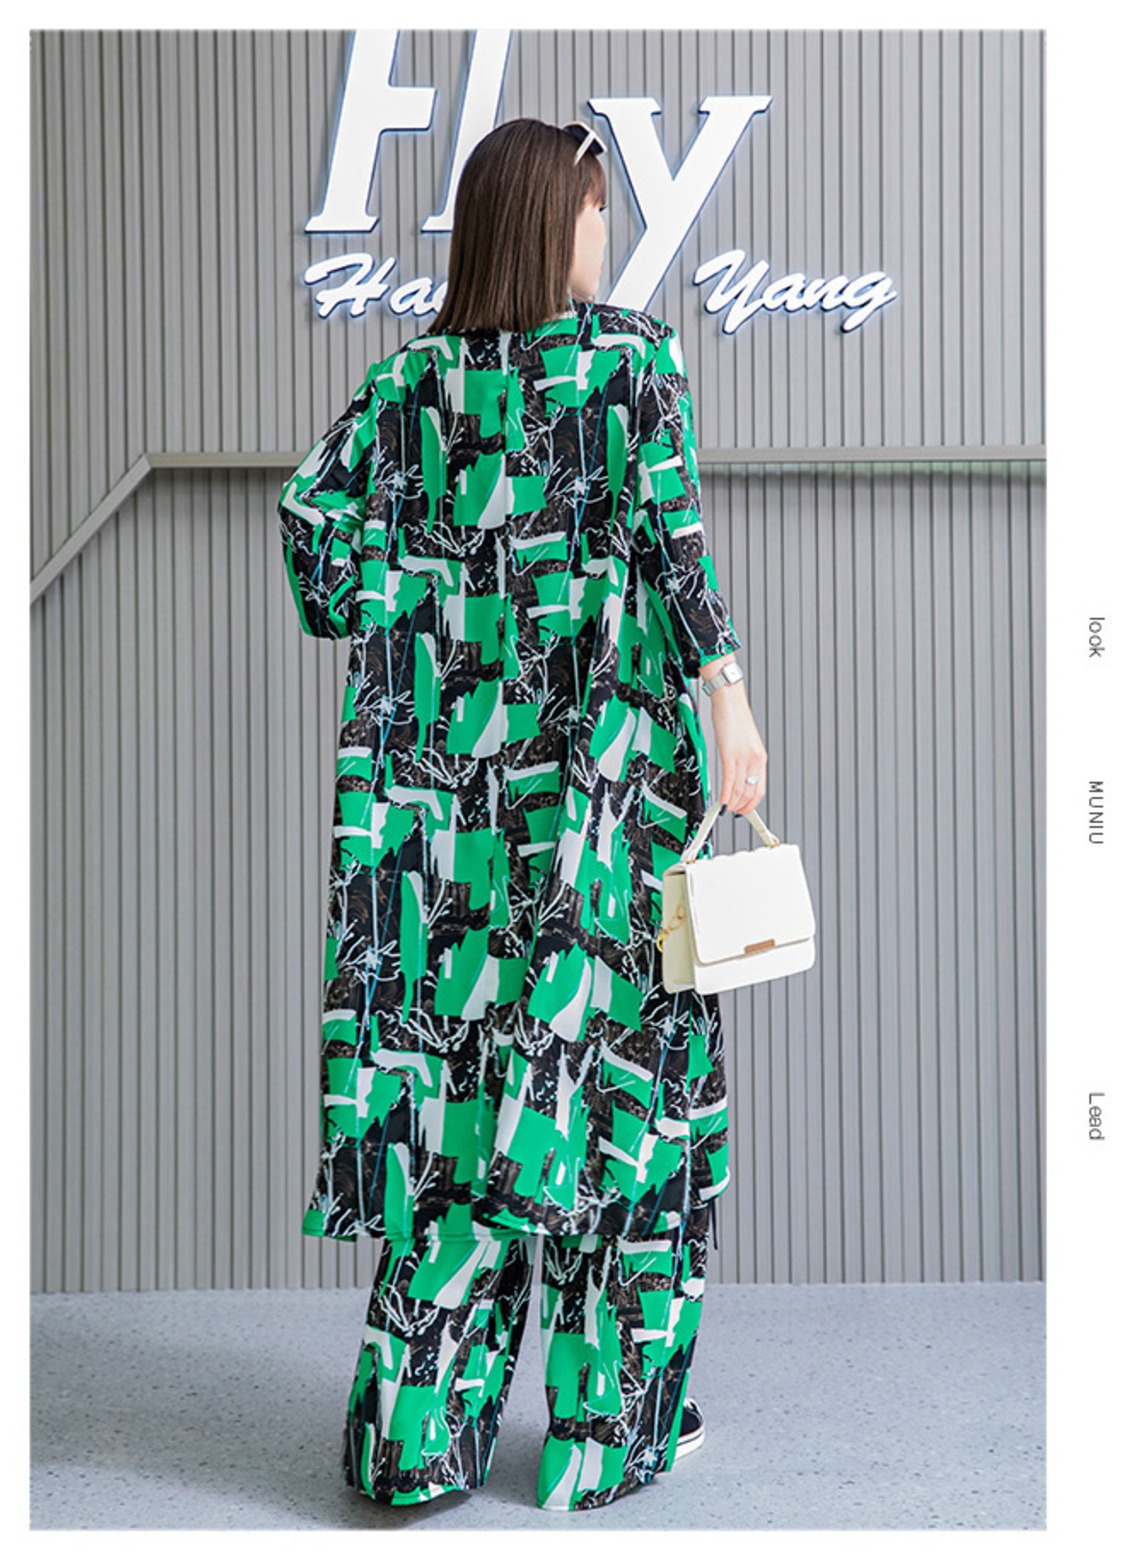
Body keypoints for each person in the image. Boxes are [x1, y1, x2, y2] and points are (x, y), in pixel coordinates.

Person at [276, 116, 768, 1513]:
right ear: (555, 218)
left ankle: (412, 1447)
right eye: (598, 210)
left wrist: (419, 599)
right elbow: (674, 553)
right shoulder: (628, 361)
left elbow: (314, 534)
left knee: (459, 1123)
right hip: (600, 819)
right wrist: (730, 704)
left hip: (447, 841)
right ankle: (605, 1439)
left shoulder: (408, 383)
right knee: (626, 1112)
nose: (608, 233)